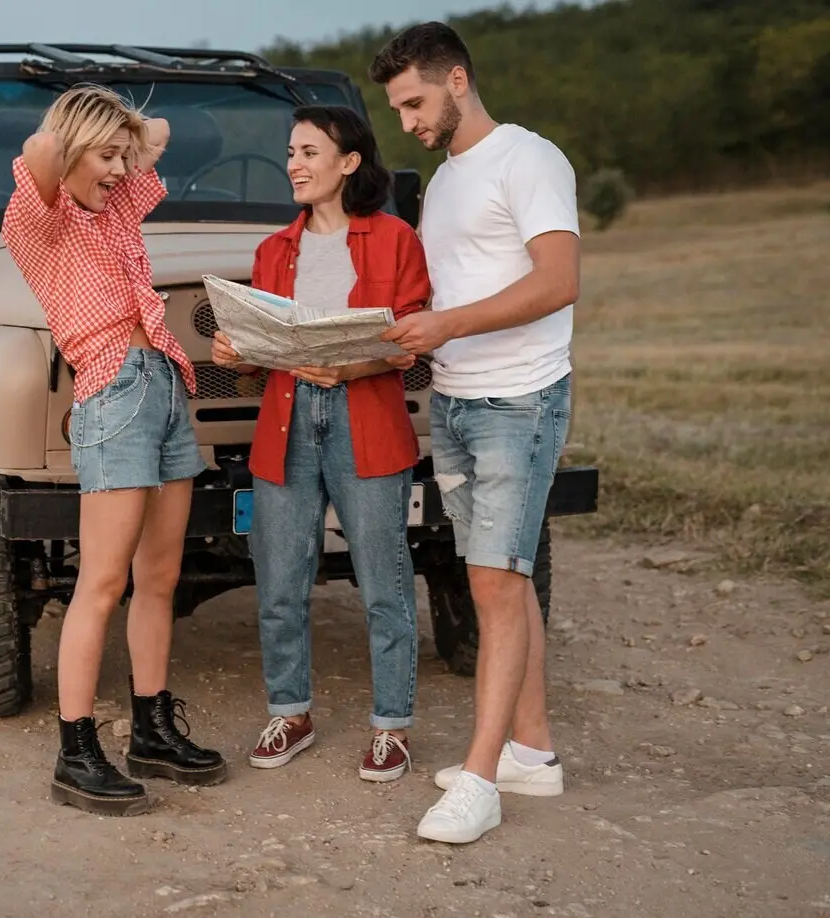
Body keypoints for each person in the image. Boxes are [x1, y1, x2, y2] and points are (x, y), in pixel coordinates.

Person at [369, 22, 582, 844]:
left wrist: (447, 322)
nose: (408, 122)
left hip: (518, 402)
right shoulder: (449, 179)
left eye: (416, 102)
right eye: (397, 109)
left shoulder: (528, 158)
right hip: (457, 401)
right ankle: (533, 753)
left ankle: (483, 780)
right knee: (506, 577)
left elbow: (559, 282)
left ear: (457, 79)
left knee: (493, 586)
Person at [1, 84, 228, 817]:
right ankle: (75, 751)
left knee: (159, 577)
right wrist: (78, 133)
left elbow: (155, 131)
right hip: (113, 392)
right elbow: (36, 152)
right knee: (101, 584)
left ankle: (153, 730)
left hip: (165, 384)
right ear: (69, 151)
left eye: (120, 160)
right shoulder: (38, 223)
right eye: (103, 157)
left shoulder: (117, 206)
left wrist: (121, 136)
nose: (117, 170)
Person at [210, 104, 430, 783]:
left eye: (308, 152)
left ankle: (392, 727)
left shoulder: (394, 239)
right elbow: (260, 353)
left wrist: (355, 365)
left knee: (383, 582)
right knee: (279, 581)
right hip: (286, 421)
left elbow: (413, 334)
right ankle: (290, 712)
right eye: (291, 153)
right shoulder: (275, 251)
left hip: (367, 419)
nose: (295, 165)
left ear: (349, 162)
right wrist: (235, 349)